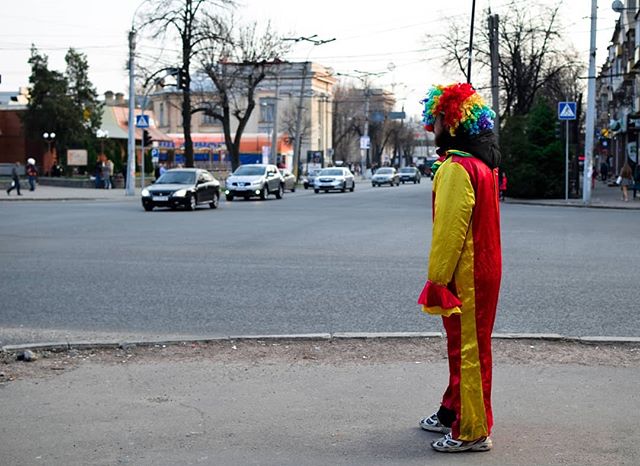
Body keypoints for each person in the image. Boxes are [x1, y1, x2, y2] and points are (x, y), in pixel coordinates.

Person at [417, 83, 502, 453]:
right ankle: (453, 410)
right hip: (483, 267)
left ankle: (472, 430)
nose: (430, 124)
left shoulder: (455, 168)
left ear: (450, 120)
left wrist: (437, 280)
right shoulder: (482, 166)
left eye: (435, 117)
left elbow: (448, 231)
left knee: (468, 348)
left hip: (464, 272)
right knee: (467, 346)